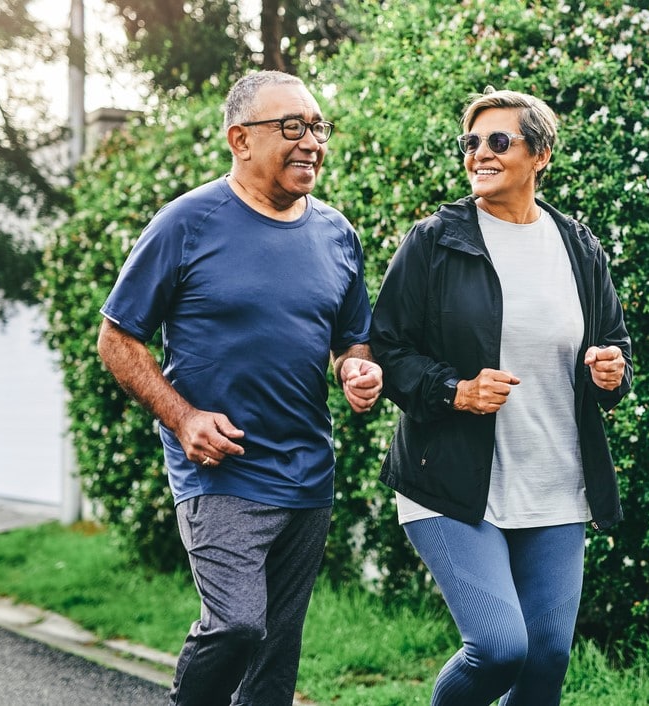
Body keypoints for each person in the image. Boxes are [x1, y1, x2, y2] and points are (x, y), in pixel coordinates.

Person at [96, 70, 382, 706]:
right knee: (236, 624)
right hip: (220, 467)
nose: (311, 141)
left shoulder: (337, 234)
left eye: (318, 127)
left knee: (275, 658)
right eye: (292, 127)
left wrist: (357, 369)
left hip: (308, 468)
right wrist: (183, 418)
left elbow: (350, 339)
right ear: (240, 139)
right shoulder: (187, 223)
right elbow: (117, 339)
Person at [370, 88, 633, 705]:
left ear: (540, 154)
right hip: (454, 484)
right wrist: (454, 390)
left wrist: (610, 371)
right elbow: (386, 347)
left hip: (555, 486)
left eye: (497, 141)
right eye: (470, 143)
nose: (478, 154)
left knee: (545, 661)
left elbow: (614, 344)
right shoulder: (435, 241)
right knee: (498, 648)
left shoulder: (578, 246)